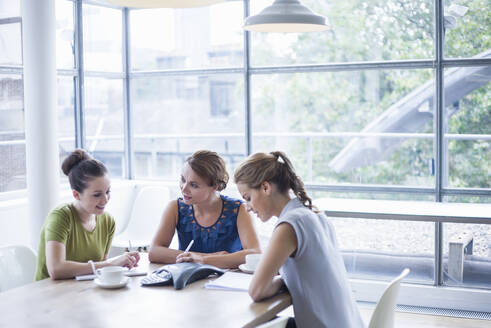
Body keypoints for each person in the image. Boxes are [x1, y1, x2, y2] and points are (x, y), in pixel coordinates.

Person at [234, 151, 364, 328]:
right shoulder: (314, 214)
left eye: (248, 198)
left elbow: (256, 291)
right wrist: (287, 277)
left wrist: (283, 279)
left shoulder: (289, 226)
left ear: (265, 188)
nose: (247, 207)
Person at [35, 149, 140, 280]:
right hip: (49, 294)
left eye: (108, 191)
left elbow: (99, 269)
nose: (105, 199)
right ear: (76, 194)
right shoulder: (60, 217)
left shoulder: (107, 221)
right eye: (97, 195)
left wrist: (118, 266)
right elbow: (56, 269)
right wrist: (109, 264)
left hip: (82, 291)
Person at [149, 150, 260, 269]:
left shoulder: (239, 210)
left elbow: (255, 253)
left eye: (194, 185)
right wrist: (205, 258)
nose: (184, 189)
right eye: (182, 179)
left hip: (227, 281)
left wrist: (202, 259)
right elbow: (154, 252)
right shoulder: (175, 207)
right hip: (188, 281)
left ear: (215, 186)